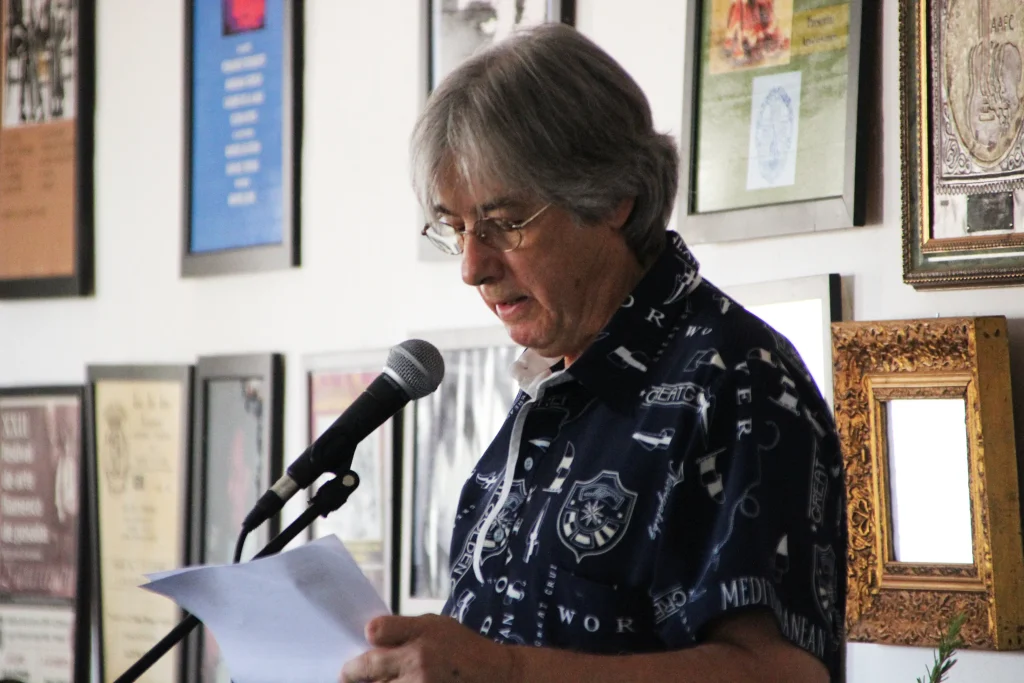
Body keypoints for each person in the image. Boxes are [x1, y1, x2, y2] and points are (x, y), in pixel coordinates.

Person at [342, 23, 846, 683]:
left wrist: (508, 671)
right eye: (457, 227)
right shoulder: (553, 388)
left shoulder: (737, 381)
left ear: (612, 198)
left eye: (504, 223)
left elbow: (783, 674)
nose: (472, 266)